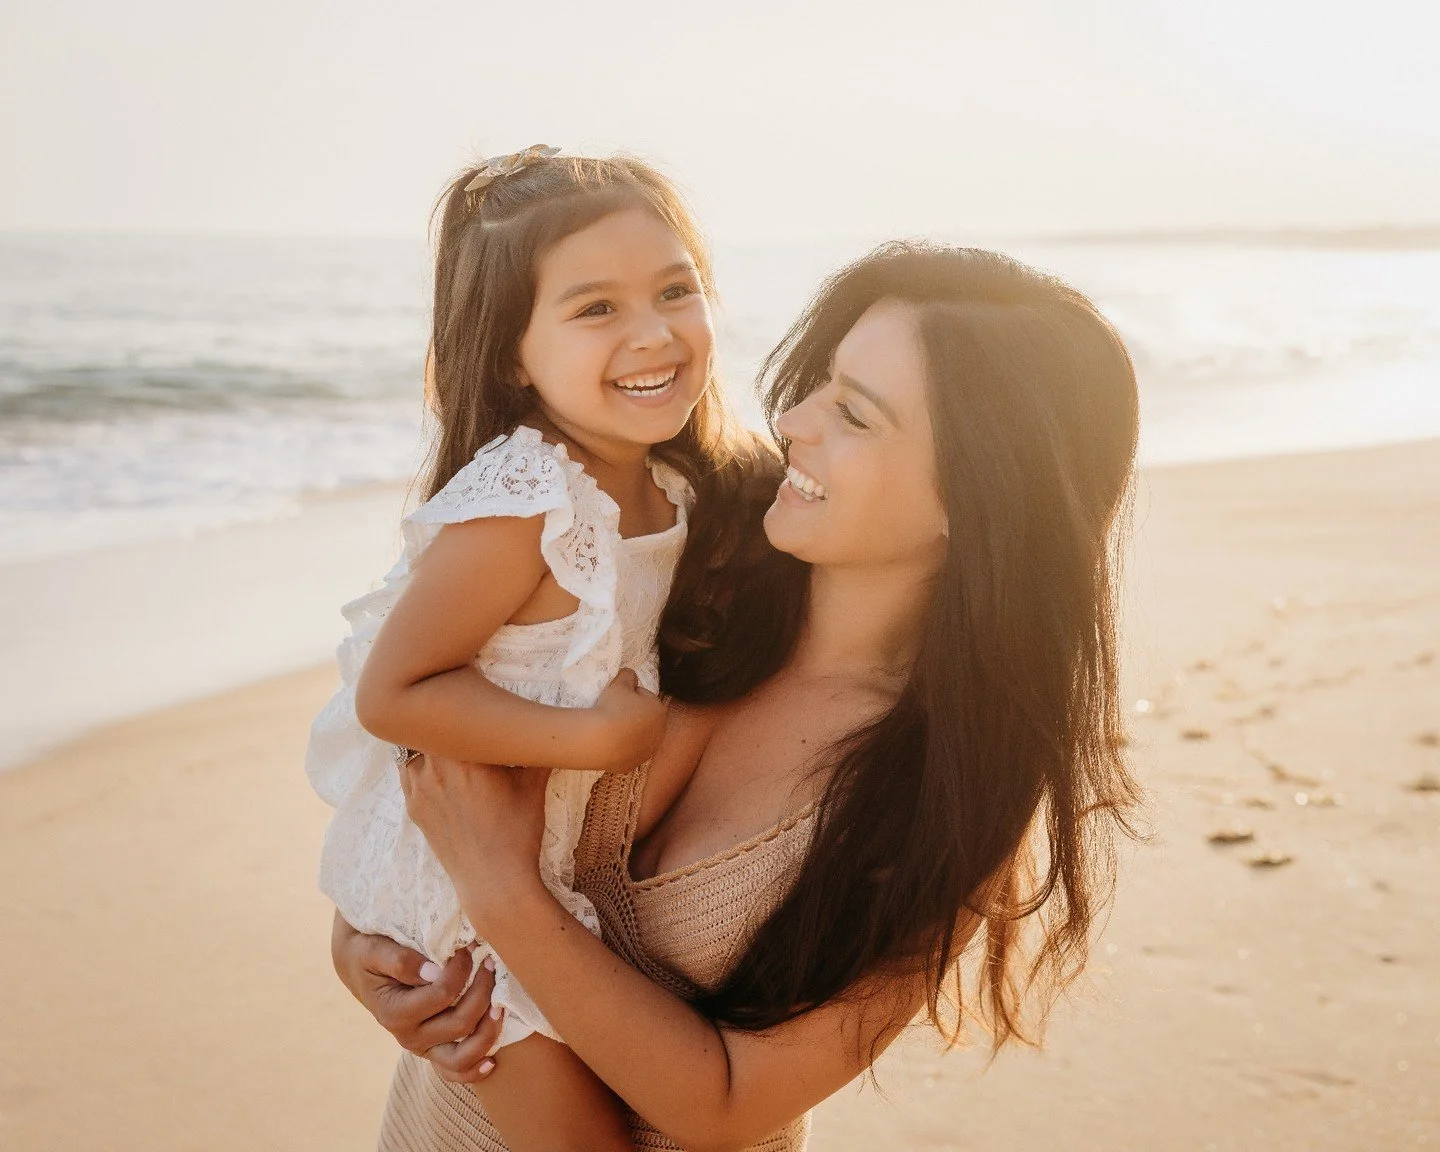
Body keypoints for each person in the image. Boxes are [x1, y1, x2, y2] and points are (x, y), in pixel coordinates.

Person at [336, 242, 1144, 1151]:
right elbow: (424, 790)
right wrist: (369, 957)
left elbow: (725, 1106)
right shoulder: (673, 548)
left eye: (854, 414)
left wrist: (505, 898)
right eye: (822, 383)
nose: (794, 420)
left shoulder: (950, 794)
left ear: (981, 496)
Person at [308, 146, 770, 1151]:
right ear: (512, 356)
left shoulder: (682, 489)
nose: (653, 332)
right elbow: (395, 692)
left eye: (675, 290)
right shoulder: (527, 499)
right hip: (462, 877)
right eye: (596, 308)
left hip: (546, 866)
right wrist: (598, 741)